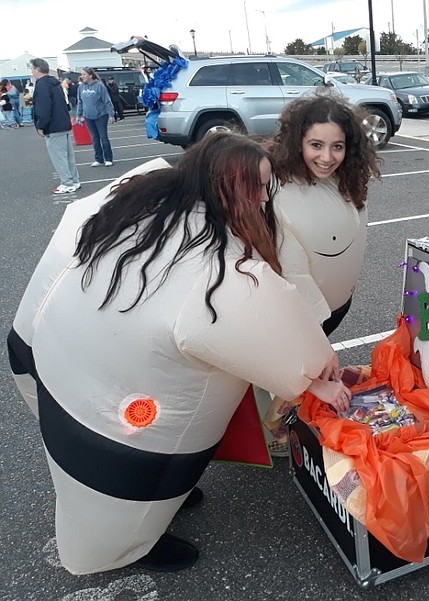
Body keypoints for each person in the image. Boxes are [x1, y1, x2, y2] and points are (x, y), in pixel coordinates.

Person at [6, 132, 354, 575]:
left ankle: (160, 504)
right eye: (258, 187)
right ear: (225, 185)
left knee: (140, 475)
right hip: (106, 419)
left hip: (46, 352)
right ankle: (125, 550)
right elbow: (266, 324)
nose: (266, 197)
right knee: (116, 504)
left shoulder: (153, 201)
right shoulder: (212, 267)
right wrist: (317, 376)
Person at [259, 91, 381, 455]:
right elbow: (292, 271)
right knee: (295, 373)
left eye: (337, 147)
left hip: (332, 308)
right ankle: (276, 436)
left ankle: (290, 416)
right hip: (301, 316)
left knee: (301, 374)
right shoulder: (277, 189)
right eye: (316, 145)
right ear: (298, 141)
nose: (327, 157)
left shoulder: (343, 180)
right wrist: (316, 345)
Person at [29, 58, 81, 194]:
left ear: (37, 69)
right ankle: (74, 180)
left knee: (59, 157)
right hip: (64, 123)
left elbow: (43, 107)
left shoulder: (41, 85)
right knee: (68, 156)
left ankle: (67, 183)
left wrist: (41, 125)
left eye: (32, 68)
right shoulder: (56, 83)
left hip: (53, 126)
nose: (32, 71)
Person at [76, 66, 115, 167]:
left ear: (90, 75)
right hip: (88, 116)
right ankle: (99, 159)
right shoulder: (81, 87)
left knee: (103, 137)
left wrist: (111, 114)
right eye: (82, 74)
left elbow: (107, 100)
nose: (82, 76)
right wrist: (78, 115)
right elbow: (80, 102)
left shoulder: (99, 86)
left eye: (84, 74)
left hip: (101, 115)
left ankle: (108, 158)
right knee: (94, 138)